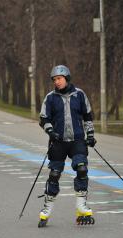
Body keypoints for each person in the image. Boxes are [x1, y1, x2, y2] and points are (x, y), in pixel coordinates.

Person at [38, 65, 97, 227]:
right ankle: (47, 209)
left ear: (67, 78)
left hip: (77, 141)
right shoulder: (50, 98)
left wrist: (90, 135)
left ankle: (81, 206)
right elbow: (43, 119)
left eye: (59, 79)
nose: (57, 82)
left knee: (82, 168)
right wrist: (50, 131)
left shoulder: (79, 95)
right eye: (54, 79)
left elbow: (87, 116)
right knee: (55, 173)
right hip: (58, 142)